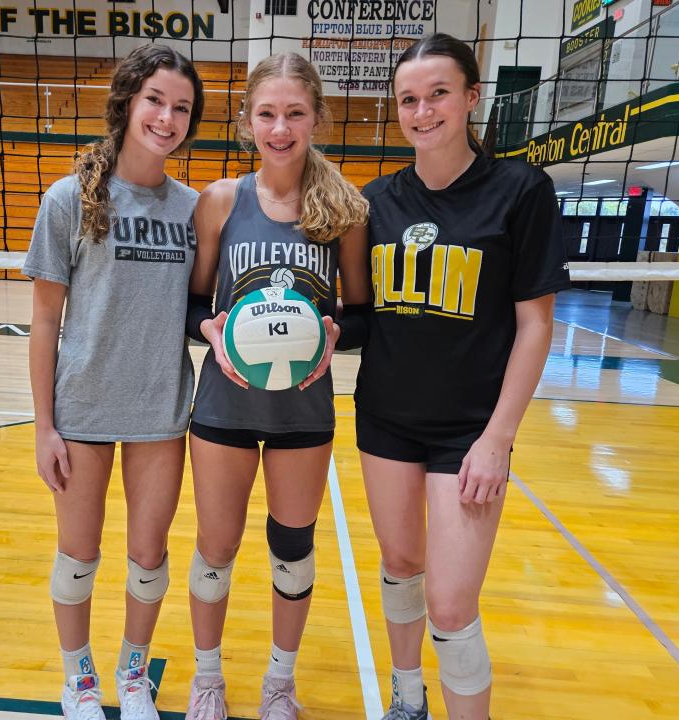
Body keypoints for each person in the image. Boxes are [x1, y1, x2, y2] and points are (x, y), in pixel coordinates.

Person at [356, 33, 571, 720]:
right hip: (384, 419)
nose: (423, 111)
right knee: (399, 568)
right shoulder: (375, 202)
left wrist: (497, 439)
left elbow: (535, 325)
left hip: (469, 432)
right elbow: (363, 315)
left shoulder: (520, 191)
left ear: (472, 97)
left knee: (450, 603)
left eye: (439, 94)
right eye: (409, 100)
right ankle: (407, 693)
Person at [181, 52, 371, 720]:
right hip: (225, 405)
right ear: (247, 121)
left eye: (295, 113)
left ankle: (279, 685)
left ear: (316, 116)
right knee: (216, 547)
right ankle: (208, 680)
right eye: (267, 113)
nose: (281, 128)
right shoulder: (219, 202)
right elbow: (193, 306)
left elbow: (363, 315)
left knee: (293, 550)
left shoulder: (345, 207)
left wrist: (330, 339)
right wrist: (211, 332)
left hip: (304, 413)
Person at [23, 44, 204, 720]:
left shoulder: (195, 209)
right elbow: (44, 322)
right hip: (83, 409)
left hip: (161, 407)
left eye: (181, 107)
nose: (167, 116)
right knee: (78, 555)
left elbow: (199, 308)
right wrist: (43, 428)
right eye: (156, 100)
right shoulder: (68, 200)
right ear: (128, 101)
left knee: (149, 554)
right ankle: (79, 680)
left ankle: (133, 676)